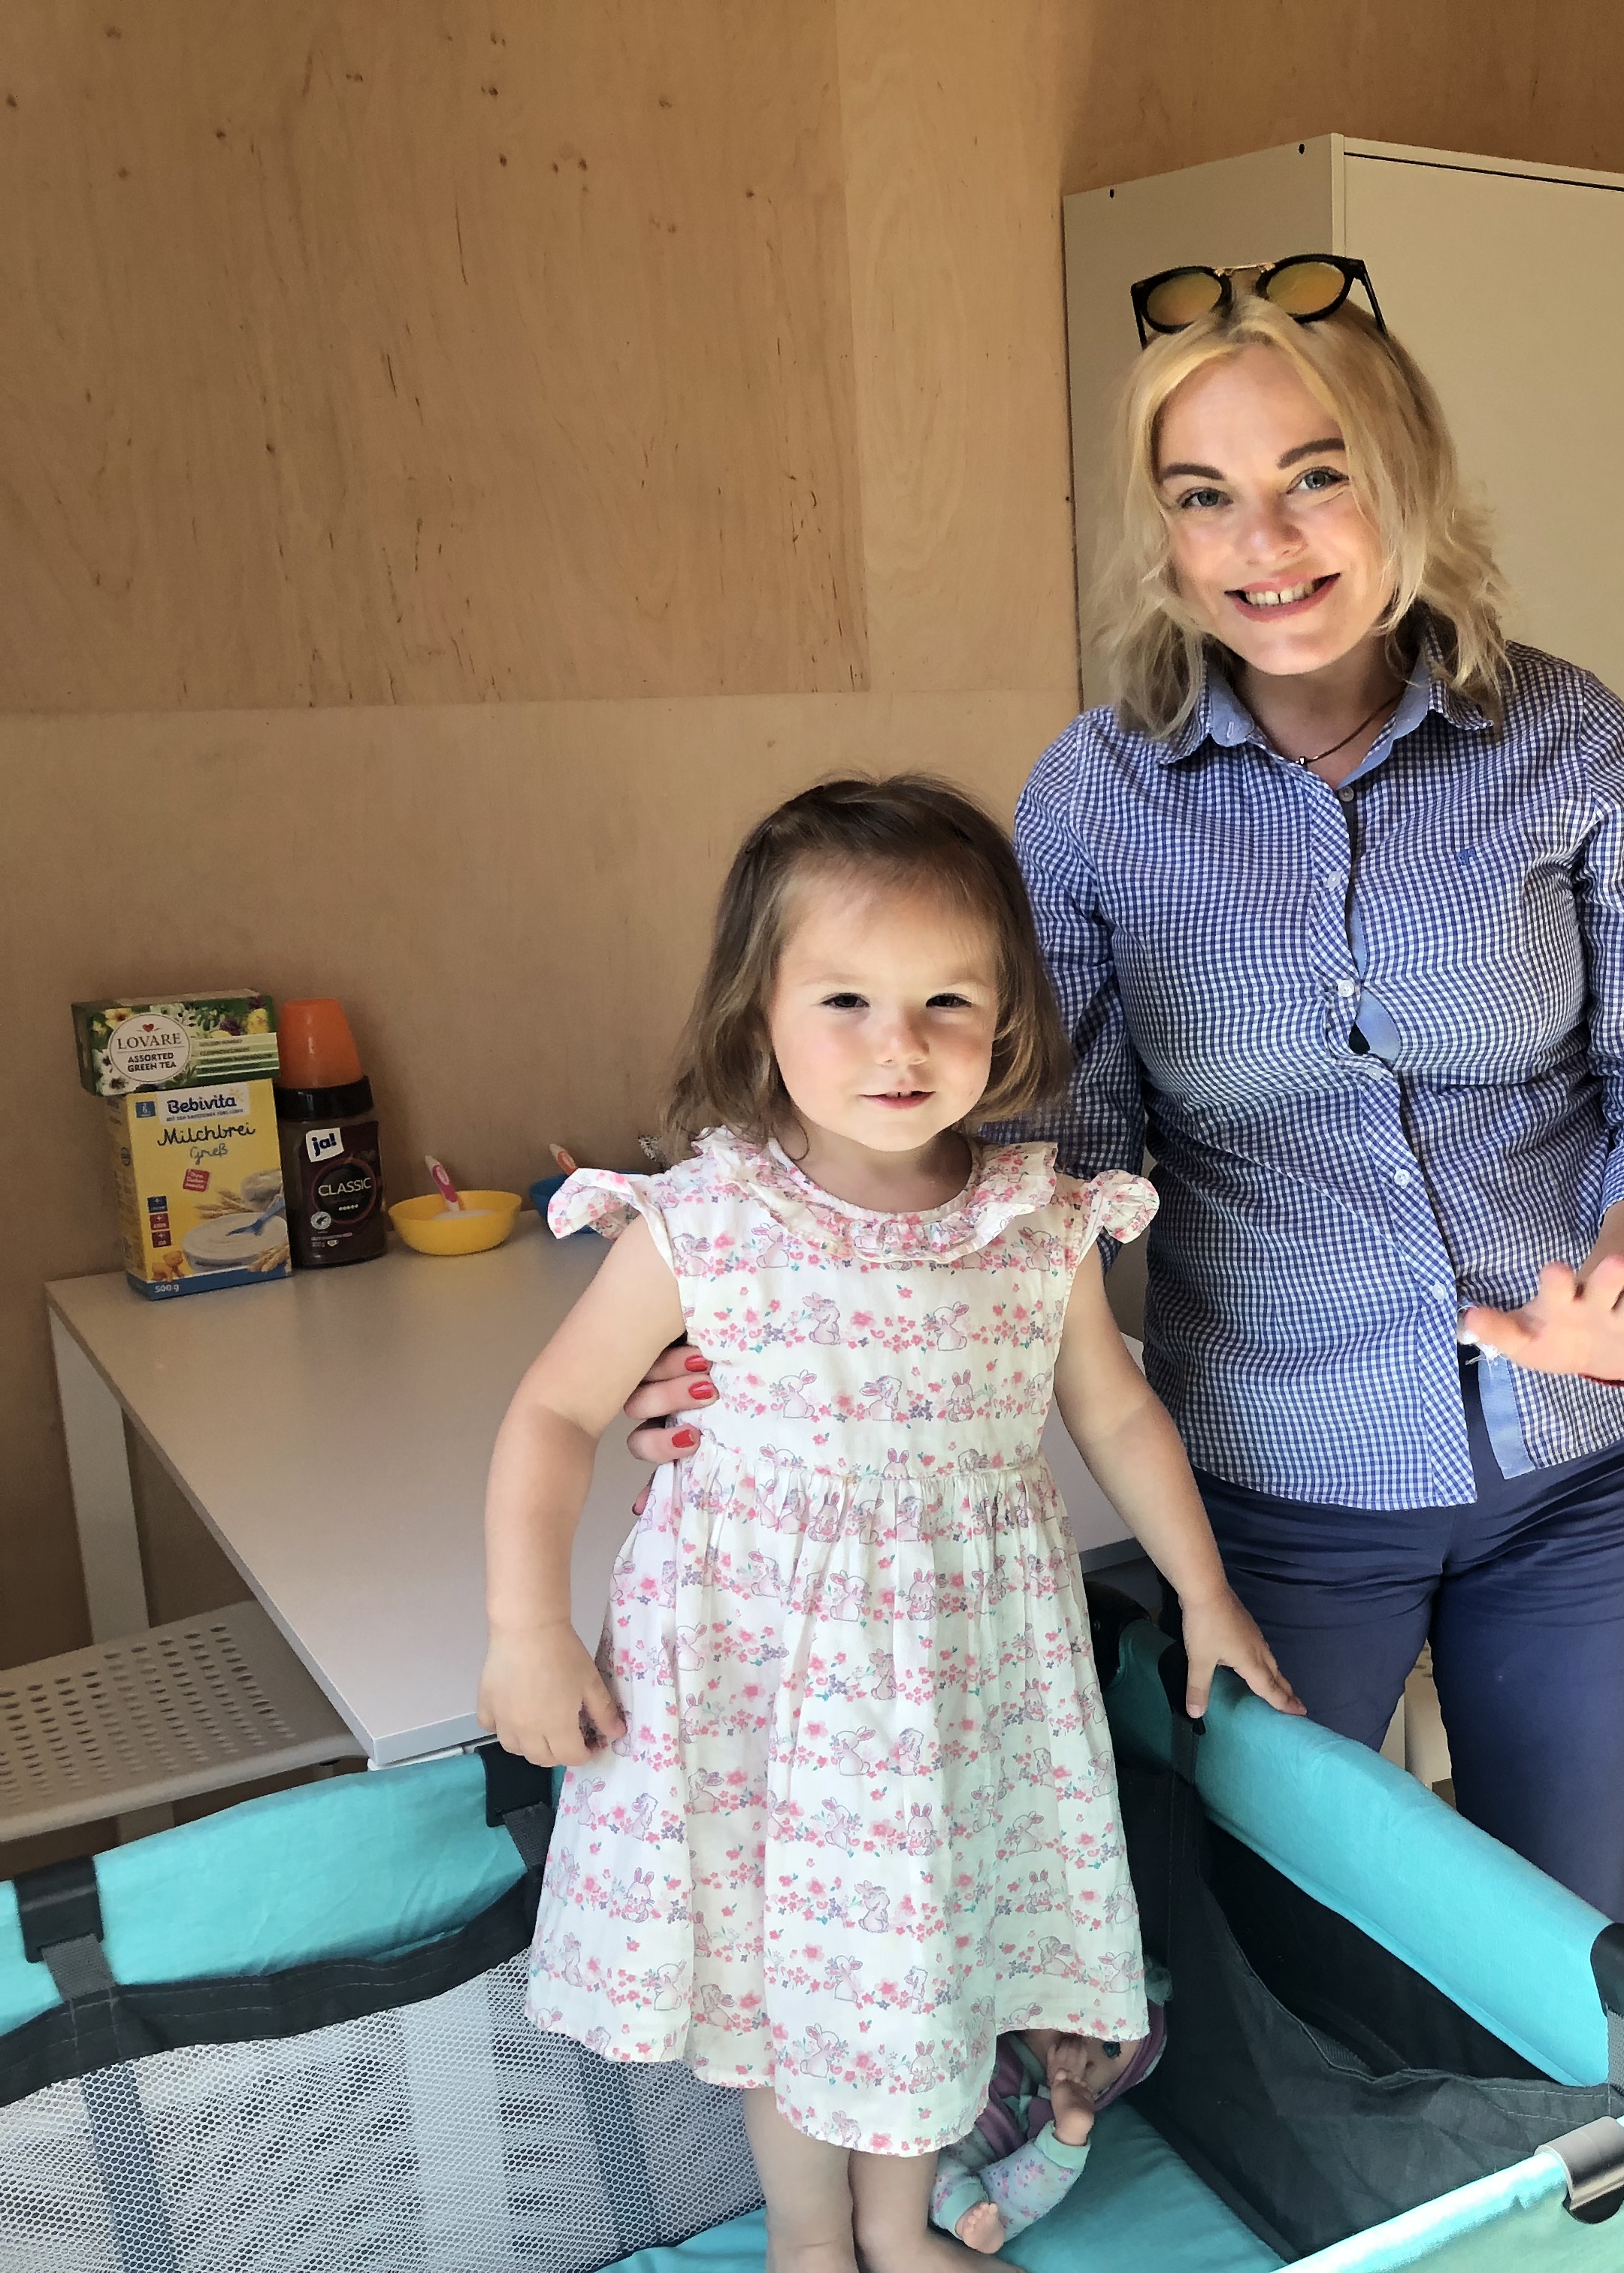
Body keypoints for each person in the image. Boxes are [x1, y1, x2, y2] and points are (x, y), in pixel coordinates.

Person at [621, 256, 1624, 1925]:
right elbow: (1032, 1163)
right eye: (1206, 497)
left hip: (1583, 1467)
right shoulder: (1092, 802)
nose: (1266, 546)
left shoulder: (1565, 741)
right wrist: (769, 1327)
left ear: (1407, 487)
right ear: (1163, 536)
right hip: (1278, 1488)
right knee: (1277, 1919)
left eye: (1317, 481)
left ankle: (1554, 2179)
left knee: (1552, 1917)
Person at [479, 775, 1298, 2273]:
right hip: (762, 1696)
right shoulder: (702, 1223)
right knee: (799, 1987)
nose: (899, 1044)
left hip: (953, 1694)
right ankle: (810, 2242)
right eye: (846, 999)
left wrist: (1207, 1596)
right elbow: (551, 1415)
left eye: (946, 1001)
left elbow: (1114, 1417)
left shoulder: (1040, 1222)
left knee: (915, 1967)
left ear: (1010, 1021)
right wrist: (526, 1630)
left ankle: (894, 2224)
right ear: (758, 1015)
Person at [927, 1982, 1169, 2256]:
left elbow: (1032, 2183)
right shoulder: (993, 2026)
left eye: (1110, 2048)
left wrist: (1068, 2115)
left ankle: (975, 2221)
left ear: (1106, 2091)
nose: (1085, 2036)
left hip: (961, 2168)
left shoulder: (1055, 2106)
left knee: (950, 2183)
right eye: (1080, 2009)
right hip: (927, 2107)